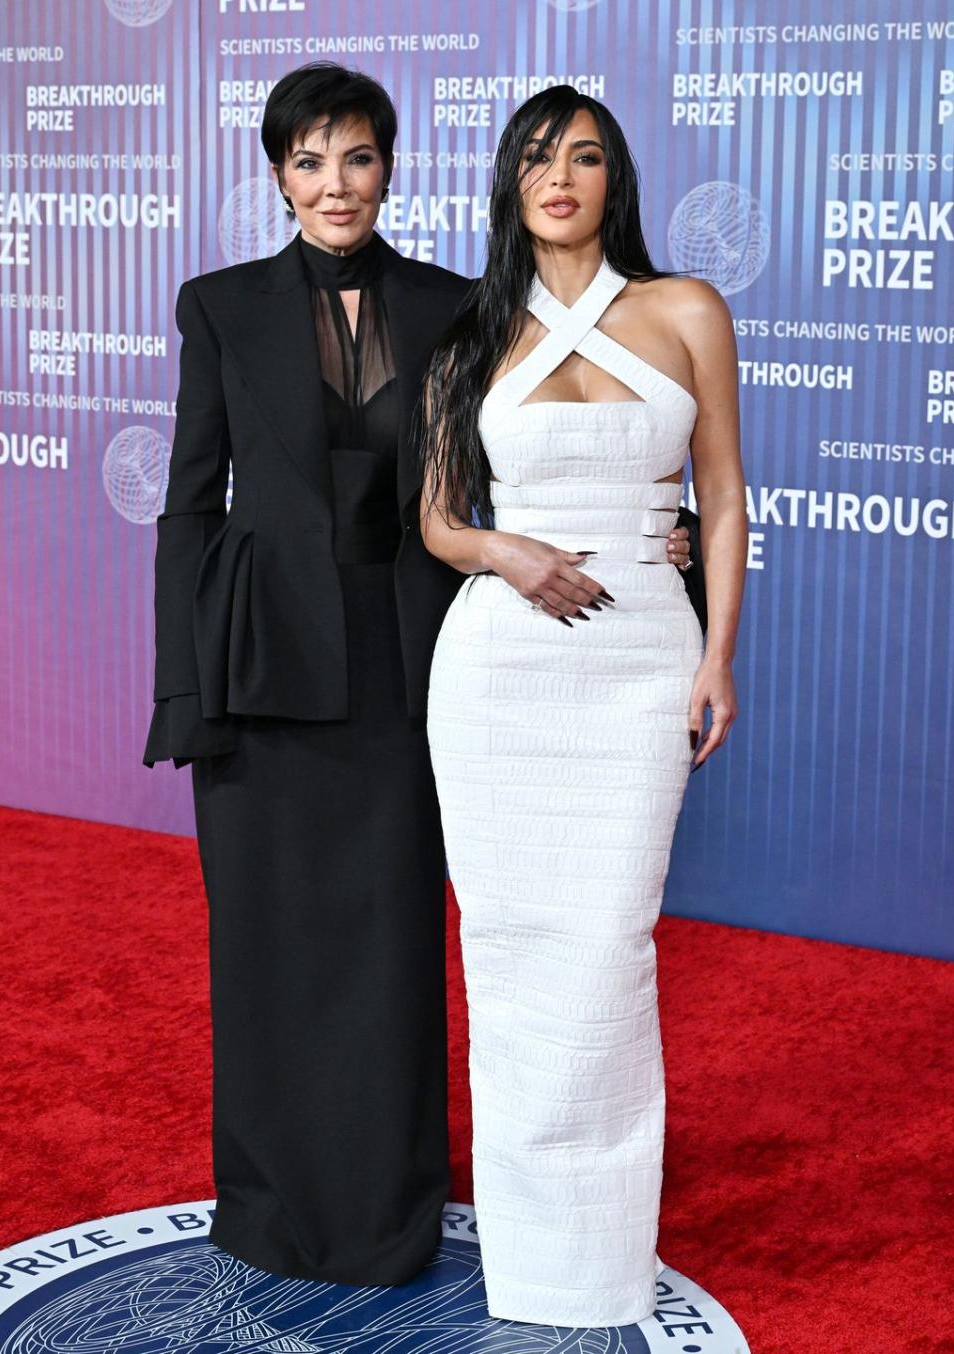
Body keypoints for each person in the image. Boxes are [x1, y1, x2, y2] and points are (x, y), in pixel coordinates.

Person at [143, 61, 693, 1288]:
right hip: (260, 665)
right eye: (308, 160)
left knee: (395, 945)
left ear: (390, 169)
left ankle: (395, 1207)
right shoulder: (218, 306)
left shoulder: (457, 305)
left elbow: (528, 464)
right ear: (278, 175)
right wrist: (184, 691)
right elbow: (187, 510)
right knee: (268, 946)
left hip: (413, 663)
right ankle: (276, 1207)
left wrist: (672, 532)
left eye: (357, 157)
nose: (334, 185)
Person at [421, 86, 746, 1327]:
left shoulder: (684, 311)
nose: (561, 175)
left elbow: (720, 498)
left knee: (610, 945)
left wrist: (718, 658)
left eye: (587, 155)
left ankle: (601, 1259)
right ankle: (531, 1261)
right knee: (506, 951)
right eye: (539, 156)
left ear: (619, 179)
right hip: (501, 668)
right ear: (508, 180)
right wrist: (508, 553)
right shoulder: (473, 333)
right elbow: (441, 518)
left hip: (639, 663)